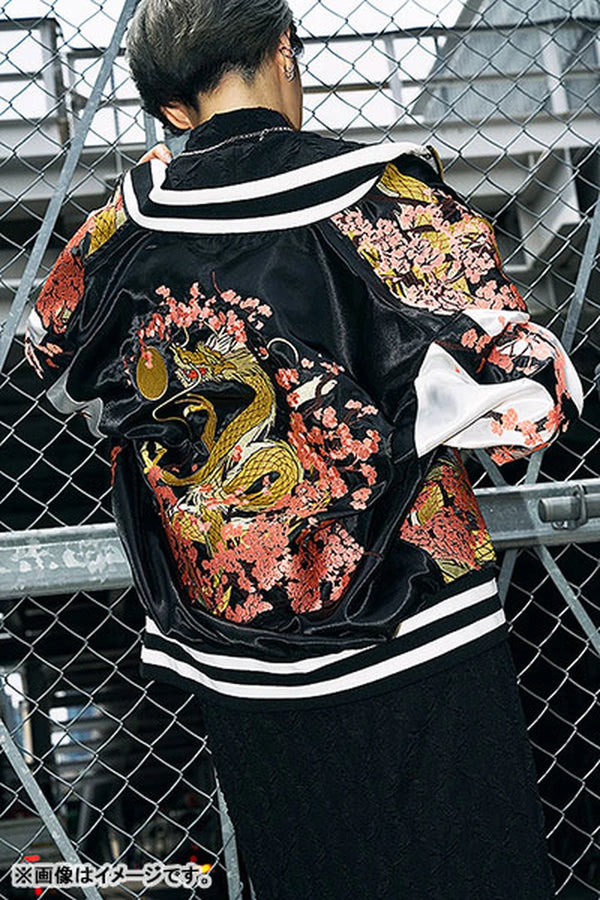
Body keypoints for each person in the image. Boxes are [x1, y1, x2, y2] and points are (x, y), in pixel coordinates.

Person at [24, 1, 584, 896]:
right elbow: (534, 392)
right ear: (284, 48)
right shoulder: (387, 197)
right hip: (414, 617)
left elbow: (46, 354)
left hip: (235, 650)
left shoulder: (115, 237)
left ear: (172, 108)